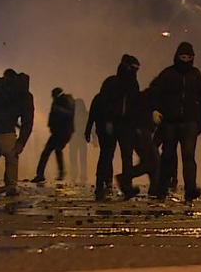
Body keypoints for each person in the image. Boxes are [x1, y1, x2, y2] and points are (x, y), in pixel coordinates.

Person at [149, 42, 201, 201]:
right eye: (183, 57)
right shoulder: (168, 74)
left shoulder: (195, 75)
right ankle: (162, 188)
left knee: (188, 156)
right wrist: (155, 110)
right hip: (170, 122)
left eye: (188, 57)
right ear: (177, 57)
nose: (186, 60)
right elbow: (156, 94)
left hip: (189, 122)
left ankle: (190, 189)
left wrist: (200, 123)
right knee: (168, 155)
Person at [87, 55, 141, 201]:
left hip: (124, 125)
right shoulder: (113, 83)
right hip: (114, 125)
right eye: (133, 68)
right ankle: (101, 185)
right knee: (108, 155)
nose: (135, 71)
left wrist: (135, 125)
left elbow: (135, 107)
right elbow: (102, 105)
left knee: (122, 156)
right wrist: (108, 122)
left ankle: (123, 186)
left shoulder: (130, 84)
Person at [0, 69, 34, 195]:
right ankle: (10, 185)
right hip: (5, 130)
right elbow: (27, 121)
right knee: (12, 156)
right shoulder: (24, 96)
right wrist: (21, 142)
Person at [32, 88, 76, 184]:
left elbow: (69, 114)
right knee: (56, 150)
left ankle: (41, 174)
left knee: (47, 152)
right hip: (61, 132)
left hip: (61, 132)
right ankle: (59, 172)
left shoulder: (62, 101)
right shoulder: (62, 101)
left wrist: (58, 112)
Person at [70, 98, 89, 184]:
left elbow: (91, 127)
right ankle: (78, 175)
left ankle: (79, 175)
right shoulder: (85, 114)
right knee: (78, 158)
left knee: (79, 158)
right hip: (78, 138)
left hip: (78, 138)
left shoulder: (73, 115)